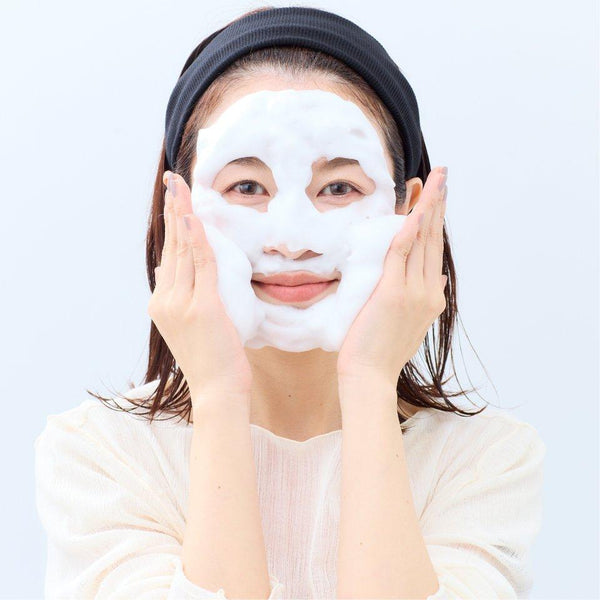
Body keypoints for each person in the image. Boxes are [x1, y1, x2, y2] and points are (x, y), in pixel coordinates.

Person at [34, 6, 546, 599]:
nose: (293, 240)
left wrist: (369, 383)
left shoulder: (486, 460)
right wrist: (219, 395)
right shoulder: (99, 457)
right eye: (247, 187)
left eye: (339, 187)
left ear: (408, 210)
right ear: (181, 206)